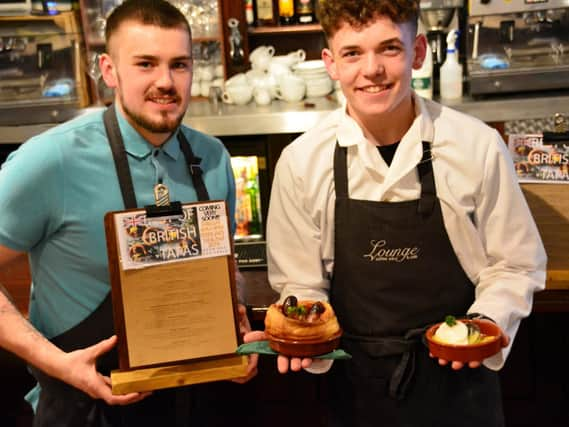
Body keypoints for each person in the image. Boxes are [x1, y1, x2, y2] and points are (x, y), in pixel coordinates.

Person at [249, 0, 547, 426]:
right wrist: (303, 336)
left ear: (419, 52)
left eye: (389, 48)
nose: (372, 69)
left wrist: (475, 332)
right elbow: (301, 282)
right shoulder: (301, 162)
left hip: (460, 389)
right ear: (330, 63)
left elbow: (516, 264)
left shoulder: (476, 146)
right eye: (353, 53)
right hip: (355, 389)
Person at [0, 0, 257, 425]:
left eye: (179, 64)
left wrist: (237, 320)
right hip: (84, 408)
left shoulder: (211, 159)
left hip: (196, 402)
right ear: (109, 70)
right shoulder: (51, 160)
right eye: (145, 64)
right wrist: (58, 363)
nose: (166, 81)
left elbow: (224, 269)